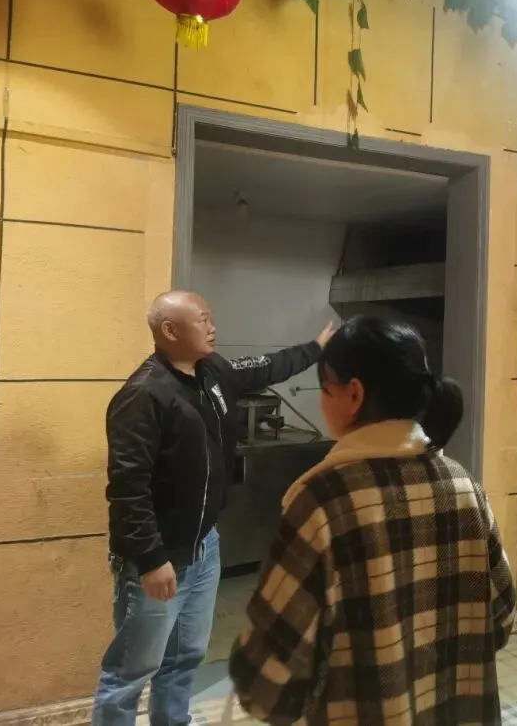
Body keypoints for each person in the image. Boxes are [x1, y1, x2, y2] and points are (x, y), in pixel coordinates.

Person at [229, 315, 516, 725]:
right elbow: (501, 617)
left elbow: (268, 681)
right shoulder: (463, 484)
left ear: (354, 393)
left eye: (325, 389)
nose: (321, 402)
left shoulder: (321, 501)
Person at [92, 290, 335, 726]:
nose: (212, 327)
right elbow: (128, 489)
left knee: (184, 657)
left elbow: (265, 367)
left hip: (205, 547)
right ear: (170, 330)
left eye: (211, 318)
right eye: (202, 319)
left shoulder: (213, 371)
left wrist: (315, 349)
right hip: (160, 556)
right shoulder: (144, 395)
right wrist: (151, 559)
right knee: (131, 670)